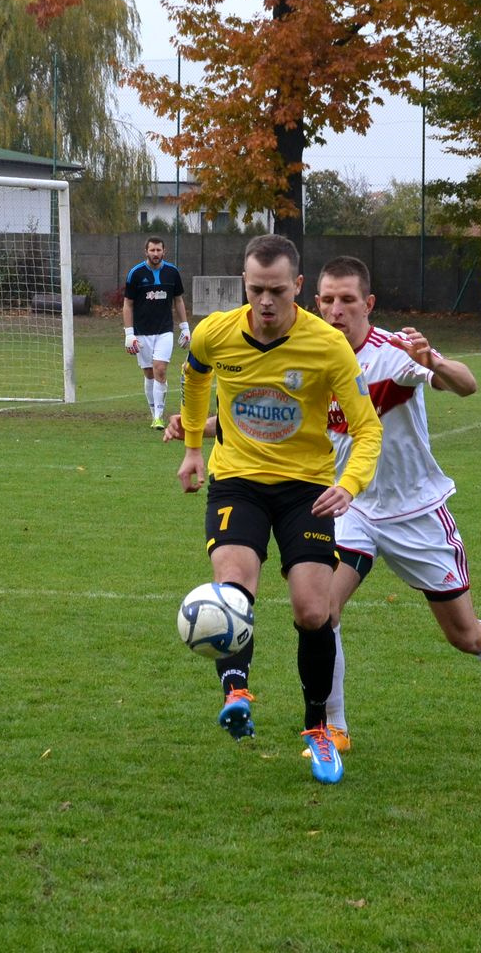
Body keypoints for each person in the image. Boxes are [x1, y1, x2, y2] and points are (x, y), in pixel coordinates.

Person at [311, 255, 481, 755]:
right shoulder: (310, 355)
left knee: (465, 637)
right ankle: (334, 728)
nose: (336, 309)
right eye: (328, 300)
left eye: (347, 299)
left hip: (415, 512)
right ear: (317, 303)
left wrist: (433, 361)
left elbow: (467, 384)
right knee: (322, 610)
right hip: (352, 507)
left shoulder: (395, 351)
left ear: (368, 303)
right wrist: (202, 427)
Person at [176, 234, 382, 784]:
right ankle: (236, 692)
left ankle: (318, 728)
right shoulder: (215, 333)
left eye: (277, 291)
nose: (266, 302)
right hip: (236, 481)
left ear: (298, 286)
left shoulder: (328, 346)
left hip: (305, 489)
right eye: (255, 290)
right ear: (244, 284)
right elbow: (195, 378)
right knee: (233, 584)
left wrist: (350, 484)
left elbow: (367, 429)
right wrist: (194, 447)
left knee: (313, 612)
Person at [123, 236, 190, 430]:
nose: (155, 253)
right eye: (152, 250)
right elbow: (128, 304)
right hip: (142, 332)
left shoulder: (172, 272)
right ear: (146, 251)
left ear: (164, 251)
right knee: (149, 373)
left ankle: (159, 417)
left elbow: (178, 300)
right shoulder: (135, 274)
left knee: (160, 369)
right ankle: (154, 413)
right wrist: (129, 334)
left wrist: (185, 327)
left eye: (158, 250)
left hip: (165, 331)